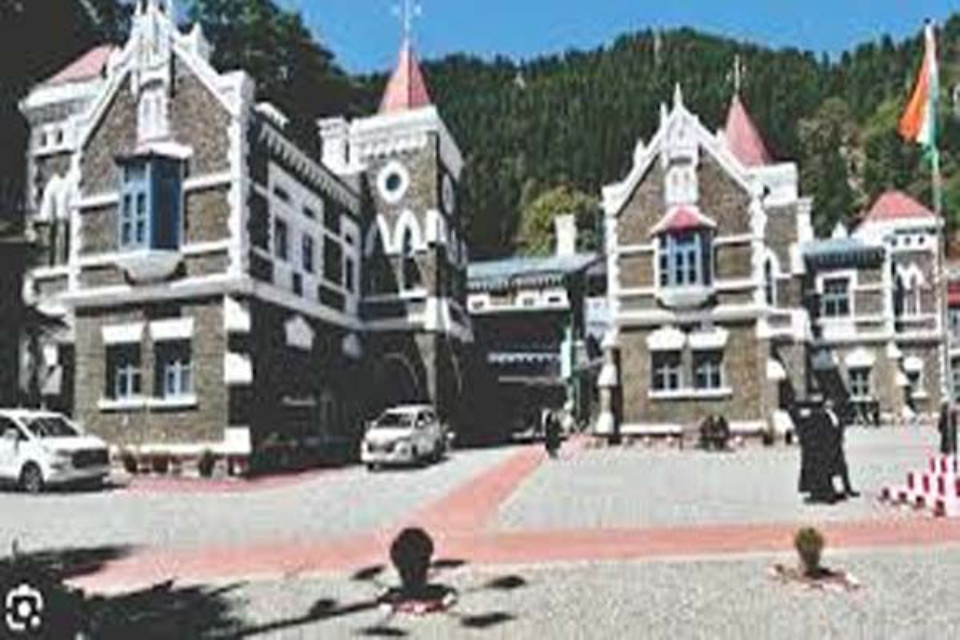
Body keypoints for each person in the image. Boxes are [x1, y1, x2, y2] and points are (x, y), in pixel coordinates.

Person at [796, 399, 838, 504]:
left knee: (818, 471)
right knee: (822, 471)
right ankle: (825, 493)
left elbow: (803, 432)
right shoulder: (824, 416)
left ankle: (821, 494)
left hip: (816, 449)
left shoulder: (814, 416)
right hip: (820, 449)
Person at [824, 398, 859, 499]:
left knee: (843, 468)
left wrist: (841, 436)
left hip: (837, 445)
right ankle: (830, 491)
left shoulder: (835, 414)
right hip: (829, 447)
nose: (831, 404)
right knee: (829, 469)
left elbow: (839, 427)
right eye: (828, 403)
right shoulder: (823, 416)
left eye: (831, 402)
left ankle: (848, 489)